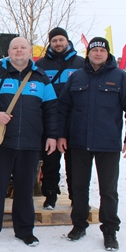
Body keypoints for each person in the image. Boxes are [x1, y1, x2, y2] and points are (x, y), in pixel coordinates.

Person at [57, 37, 126, 252]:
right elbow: (63, 109)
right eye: (95, 50)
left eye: (102, 50)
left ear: (107, 53)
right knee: (78, 187)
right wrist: (61, 136)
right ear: (89, 53)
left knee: (108, 190)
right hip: (79, 142)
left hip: (108, 143)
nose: (98, 53)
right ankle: (79, 225)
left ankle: (110, 230)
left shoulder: (120, 78)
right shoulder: (76, 78)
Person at [0, 37, 58, 247]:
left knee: (24, 189)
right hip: (1, 142)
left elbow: (51, 110)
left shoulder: (41, 77)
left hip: (30, 143)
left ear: (30, 52)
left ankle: (24, 231)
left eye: (23, 48)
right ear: (8, 51)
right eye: (15, 48)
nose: (19, 51)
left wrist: (51, 135)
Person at [35, 27, 84, 209]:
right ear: (50, 43)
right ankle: (50, 195)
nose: (58, 43)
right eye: (54, 40)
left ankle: (76, 197)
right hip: (49, 118)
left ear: (67, 41)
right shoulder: (40, 65)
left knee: (75, 163)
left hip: (74, 120)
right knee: (50, 161)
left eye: (61, 40)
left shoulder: (80, 63)